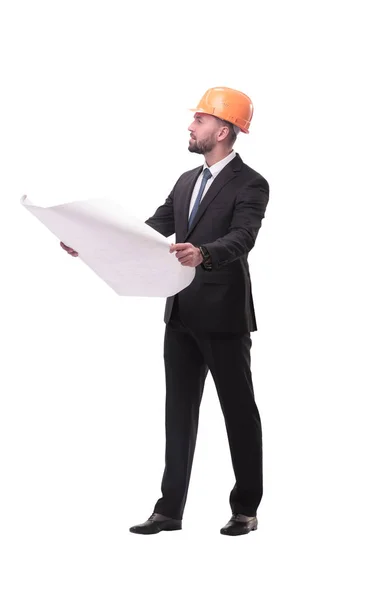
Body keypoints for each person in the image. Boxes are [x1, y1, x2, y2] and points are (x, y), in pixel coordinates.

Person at [60, 87, 269, 536]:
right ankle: (169, 510)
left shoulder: (251, 184)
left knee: (238, 412)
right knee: (179, 413)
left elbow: (243, 237)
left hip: (224, 316)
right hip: (181, 313)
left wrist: (205, 254)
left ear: (223, 129)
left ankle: (245, 509)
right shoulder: (185, 181)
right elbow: (151, 229)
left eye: (198, 120)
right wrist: (90, 243)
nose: (191, 127)